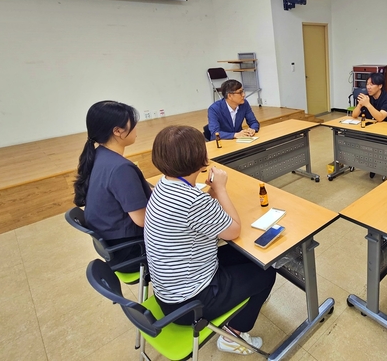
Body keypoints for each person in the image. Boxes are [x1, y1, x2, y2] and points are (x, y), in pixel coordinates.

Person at [144, 125, 276, 355]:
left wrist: (212, 193)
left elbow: (192, 218)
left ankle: (240, 306)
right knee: (266, 273)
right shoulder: (192, 199)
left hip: (170, 292)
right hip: (190, 304)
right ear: (199, 157)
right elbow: (234, 230)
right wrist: (221, 189)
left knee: (249, 255)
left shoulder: (164, 185)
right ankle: (233, 335)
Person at [73, 101, 151, 273]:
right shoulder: (121, 168)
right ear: (117, 131)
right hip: (133, 252)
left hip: (114, 246)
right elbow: (143, 220)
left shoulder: (98, 156)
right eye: (133, 124)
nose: (136, 128)